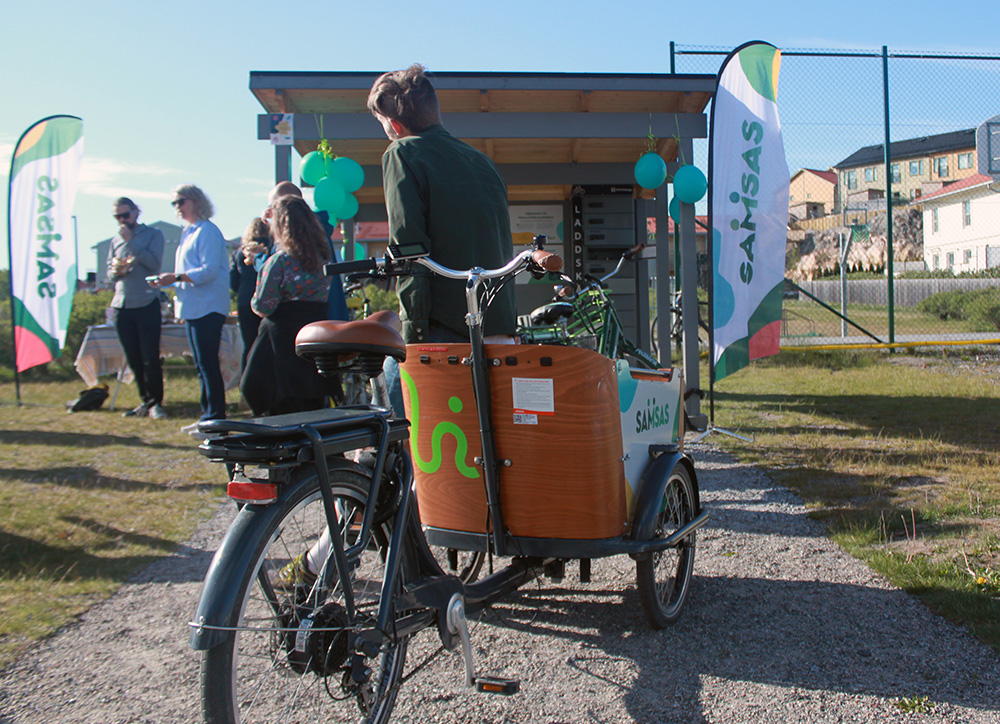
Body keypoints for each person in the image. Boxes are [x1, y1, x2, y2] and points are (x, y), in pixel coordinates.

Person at [367, 63, 516, 345]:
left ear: (394, 124)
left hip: (446, 325)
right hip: (499, 322)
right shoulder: (482, 161)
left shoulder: (402, 152)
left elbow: (408, 249)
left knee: (390, 383)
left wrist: (414, 329)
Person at [240, 195, 333, 416]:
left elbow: (263, 306)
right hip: (313, 339)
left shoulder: (279, 261)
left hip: (279, 342)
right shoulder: (324, 259)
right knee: (309, 403)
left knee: (262, 392)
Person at [151, 184, 230, 434]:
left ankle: (215, 417)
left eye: (180, 202)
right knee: (201, 364)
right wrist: (171, 279)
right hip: (193, 306)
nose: (177, 208)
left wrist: (174, 277)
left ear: (196, 201)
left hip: (208, 306)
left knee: (207, 363)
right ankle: (207, 415)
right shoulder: (189, 232)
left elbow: (208, 271)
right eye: (174, 203)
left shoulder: (207, 231)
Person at [106, 197, 166, 419]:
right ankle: (144, 401)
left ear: (136, 213)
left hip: (146, 301)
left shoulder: (153, 235)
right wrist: (116, 271)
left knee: (150, 356)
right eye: (117, 217)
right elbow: (109, 272)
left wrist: (132, 242)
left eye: (125, 215)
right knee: (133, 358)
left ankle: (156, 403)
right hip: (122, 304)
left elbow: (154, 263)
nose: (122, 220)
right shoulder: (115, 240)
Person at [231, 217, 270, 373]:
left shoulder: (239, 253)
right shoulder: (270, 249)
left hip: (245, 300)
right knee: (266, 344)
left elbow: (233, 281)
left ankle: (245, 382)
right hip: (266, 299)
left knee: (249, 345)